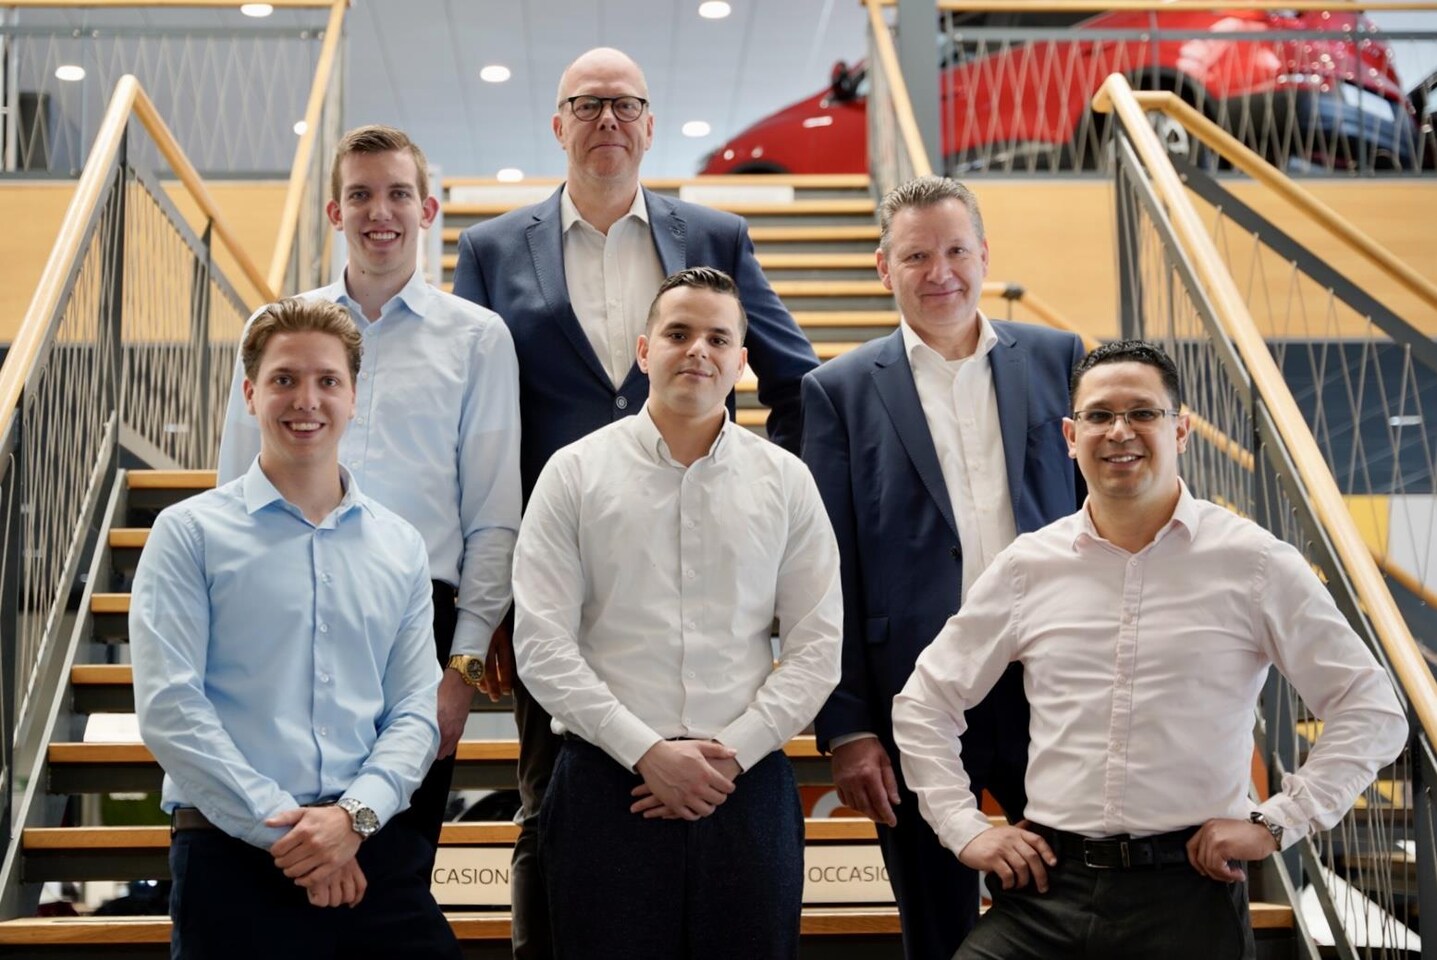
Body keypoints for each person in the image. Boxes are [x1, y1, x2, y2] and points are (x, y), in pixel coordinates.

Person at [450, 47, 819, 957]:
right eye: (587, 104)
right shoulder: (493, 249)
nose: (606, 119)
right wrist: (492, 588)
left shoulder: (716, 236)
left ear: (650, 125)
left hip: (706, 533)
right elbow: (477, 426)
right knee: (551, 799)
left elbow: (795, 379)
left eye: (625, 104)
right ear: (558, 124)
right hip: (563, 556)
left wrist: (768, 496)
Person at [893, 339, 1408, 959]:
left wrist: (1279, 822)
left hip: (1187, 893)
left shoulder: (1254, 563)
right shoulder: (1028, 566)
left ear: (1181, 431)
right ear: (1070, 436)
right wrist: (964, 828)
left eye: (1142, 412)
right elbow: (924, 703)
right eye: (1099, 415)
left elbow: (1372, 709)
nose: (1120, 432)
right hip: (1048, 888)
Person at [510, 267, 841, 960]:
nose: (698, 350)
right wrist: (645, 752)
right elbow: (541, 645)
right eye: (678, 333)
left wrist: (732, 754)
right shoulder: (573, 473)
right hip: (607, 781)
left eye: (718, 338)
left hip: (744, 782)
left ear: (741, 362)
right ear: (643, 350)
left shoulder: (786, 481)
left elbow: (816, 649)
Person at [217, 125, 522, 862]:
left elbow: (492, 518)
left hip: (417, 624)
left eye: (397, 194)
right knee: (282, 850)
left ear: (428, 210)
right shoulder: (276, 331)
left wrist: (462, 671)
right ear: (334, 211)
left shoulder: (478, 338)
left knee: (395, 866)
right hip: (283, 607)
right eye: (359, 195)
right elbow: (232, 494)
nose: (379, 212)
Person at [799, 175, 1085, 958]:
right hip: (913, 699)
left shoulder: (1059, 360)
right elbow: (825, 571)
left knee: (1069, 919)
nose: (940, 273)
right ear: (882, 267)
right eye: (916, 255)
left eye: (956, 251)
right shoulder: (837, 391)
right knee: (937, 932)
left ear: (984, 254)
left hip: (1052, 687)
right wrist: (848, 726)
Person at [132, 298, 461, 959]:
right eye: (284, 379)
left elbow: (413, 712)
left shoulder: (400, 545)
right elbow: (170, 708)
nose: (306, 400)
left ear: (353, 397)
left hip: (370, 848)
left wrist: (352, 820)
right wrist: (297, 837)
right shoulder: (188, 534)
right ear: (251, 394)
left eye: (326, 380)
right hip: (231, 853)